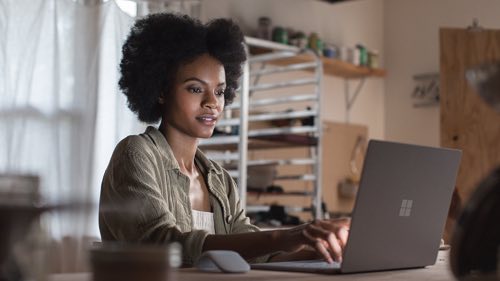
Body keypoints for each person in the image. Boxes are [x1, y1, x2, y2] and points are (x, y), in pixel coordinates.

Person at [98, 12, 350, 266]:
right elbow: (164, 245)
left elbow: (260, 254)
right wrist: (285, 235)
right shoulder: (135, 154)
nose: (212, 103)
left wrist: (331, 249)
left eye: (219, 92)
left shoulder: (219, 179)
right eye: (196, 89)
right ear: (161, 91)